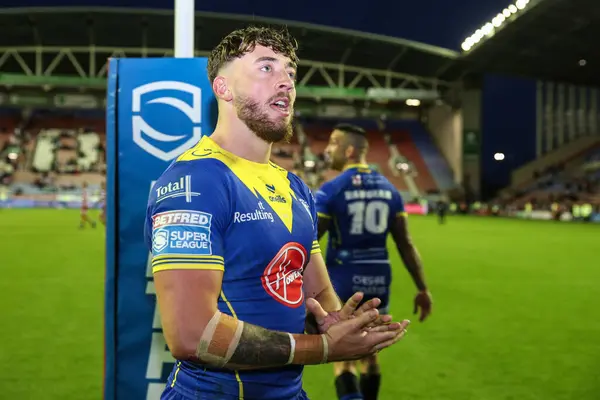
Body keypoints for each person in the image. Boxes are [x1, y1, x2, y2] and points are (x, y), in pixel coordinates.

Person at [144, 26, 410, 400]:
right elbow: (191, 334)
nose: (286, 81)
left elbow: (315, 290)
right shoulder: (195, 181)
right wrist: (325, 348)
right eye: (266, 68)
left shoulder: (295, 187)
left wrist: (340, 323)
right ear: (222, 88)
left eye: (290, 72)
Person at [315, 123, 433, 400]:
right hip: (379, 280)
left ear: (350, 150)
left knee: (344, 359)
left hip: (343, 281)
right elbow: (405, 244)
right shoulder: (390, 190)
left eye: (333, 143)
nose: (328, 149)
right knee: (371, 354)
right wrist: (422, 288)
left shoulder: (332, 190)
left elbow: (309, 241)